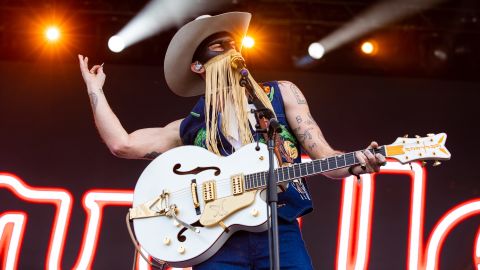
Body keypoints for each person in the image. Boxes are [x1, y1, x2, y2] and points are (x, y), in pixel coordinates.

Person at [79, 11, 385, 270]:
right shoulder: (191, 126)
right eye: (218, 46)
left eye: (233, 43)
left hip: (279, 229)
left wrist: (358, 164)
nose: (230, 49)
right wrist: (96, 91)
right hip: (217, 241)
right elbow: (123, 144)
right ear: (198, 66)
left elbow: (327, 159)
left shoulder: (280, 95)